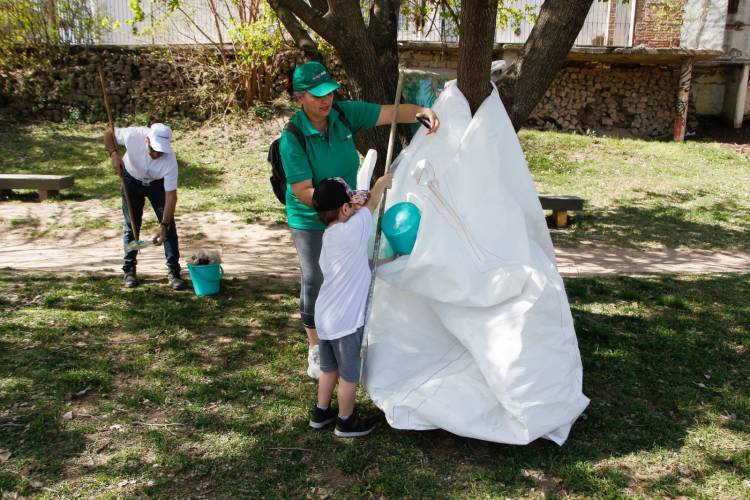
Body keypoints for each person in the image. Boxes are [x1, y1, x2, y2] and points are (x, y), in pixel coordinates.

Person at [281, 60, 440, 378]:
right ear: (300, 97)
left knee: (352, 274)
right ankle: (316, 347)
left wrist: (420, 112)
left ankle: (348, 334)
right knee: (316, 279)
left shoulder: (341, 115)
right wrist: (342, 207)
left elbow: (388, 113)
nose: (326, 100)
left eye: (329, 92)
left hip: (347, 211)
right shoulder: (293, 139)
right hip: (312, 218)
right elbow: (302, 190)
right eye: (316, 95)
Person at [308, 174, 392, 437]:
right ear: (345, 208)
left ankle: (321, 412)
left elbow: (357, 209)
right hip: (346, 321)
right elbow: (370, 206)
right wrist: (380, 184)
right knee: (349, 375)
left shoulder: (330, 235)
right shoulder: (353, 230)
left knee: (328, 368)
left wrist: (354, 205)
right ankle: (345, 420)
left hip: (325, 316)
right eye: (350, 204)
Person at [104, 123, 186, 290]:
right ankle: (129, 269)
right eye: (154, 149)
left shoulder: (170, 160)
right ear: (147, 140)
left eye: (161, 151)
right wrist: (113, 154)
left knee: (168, 227)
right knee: (132, 226)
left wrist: (163, 224)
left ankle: (173, 271)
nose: (157, 154)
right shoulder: (133, 135)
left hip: (157, 185)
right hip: (131, 181)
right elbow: (108, 133)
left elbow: (171, 196)